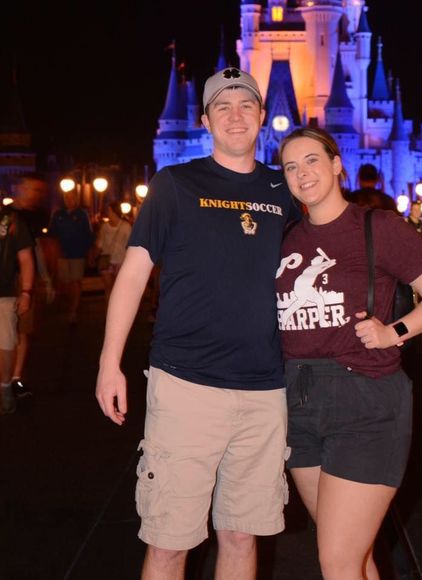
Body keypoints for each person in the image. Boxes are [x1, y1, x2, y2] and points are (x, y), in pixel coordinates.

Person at [96, 67, 300, 580]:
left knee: (241, 535)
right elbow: (133, 275)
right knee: (169, 541)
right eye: (222, 107)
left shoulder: (284, 191)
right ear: (205, 120)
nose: (236, 116)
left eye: (246, 105)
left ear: (261, 116)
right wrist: (109, 363)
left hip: (264, 390)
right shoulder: (175, 184)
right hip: (186, 385)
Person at [276, 127, 422, 579]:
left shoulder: (378, 227)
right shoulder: (285, 237)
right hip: (298, 403)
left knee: (337, 560)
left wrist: (394, 332)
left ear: (337, 164)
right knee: (353, 556)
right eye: (291, 167)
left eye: (312, 160)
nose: (303, 173)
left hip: (365, 401)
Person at [11, 173, 54, 398]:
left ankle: (15, 378)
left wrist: (44, 278)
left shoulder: (33, 217)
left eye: (38, 191)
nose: (35, 195)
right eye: (31, 189)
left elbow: (35, 249)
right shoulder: (7, 215)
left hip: (23, 279)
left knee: (22, 330)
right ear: (18, 188)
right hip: (8, 278)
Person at [0, 204, 34, 414]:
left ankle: (5, 387)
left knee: (5, 343)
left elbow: (26, 258)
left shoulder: (11, 221)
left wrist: (26, 292)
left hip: (4, 294)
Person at [48, 190, 93, 324]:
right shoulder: (58, 214)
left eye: (71, 198)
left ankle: (73, 310)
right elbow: (52, 233)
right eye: (66, 198)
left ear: (76, 199)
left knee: (76, 281)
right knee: (65, 282)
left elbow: (89, 234)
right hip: (62, 253)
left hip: (77, 253)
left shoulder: (82, 214)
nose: (68, 200)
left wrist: (88, 251)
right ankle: (71, 305)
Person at [94, 201, 132, 301]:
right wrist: (95, 255)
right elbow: (100, 243)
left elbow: (131, 244)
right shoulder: (105, 227)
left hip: (120, 260)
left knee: (119, 288)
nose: (108, 212)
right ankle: (109, 307)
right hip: (106, 260)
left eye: (109, 210)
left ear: (115, 212)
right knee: (108, 287)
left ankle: (119, 305)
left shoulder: (126, 226)